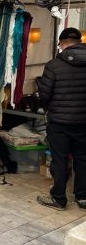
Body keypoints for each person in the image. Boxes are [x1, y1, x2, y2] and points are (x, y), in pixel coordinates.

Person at [37, 27, 86, 212]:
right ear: (79, 42)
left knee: (59, 159)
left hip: (59, 121)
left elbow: (44, 95)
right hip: (84, 121)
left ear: (62, 43)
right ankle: (82, 197)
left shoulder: (53, 65)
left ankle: (58, 197)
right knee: (83, 159)